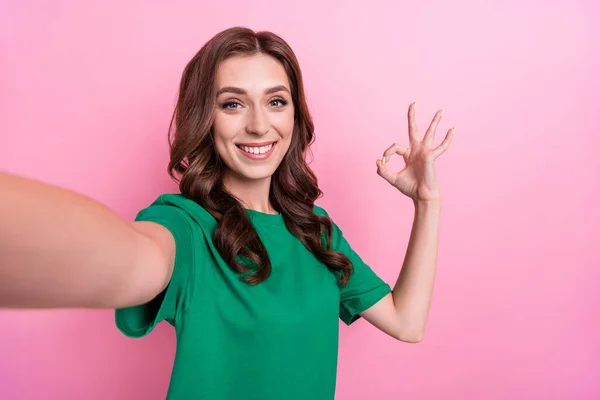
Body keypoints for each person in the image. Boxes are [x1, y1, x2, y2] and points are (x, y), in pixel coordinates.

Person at [0, 26, 454, 399]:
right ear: (206, 118)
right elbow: (122, 258)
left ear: (295, 116)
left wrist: (426, 204)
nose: (258, 124)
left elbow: (407, 321)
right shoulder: (185, 226)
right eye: (232, 103)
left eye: (276, 101)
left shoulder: (318, 233)